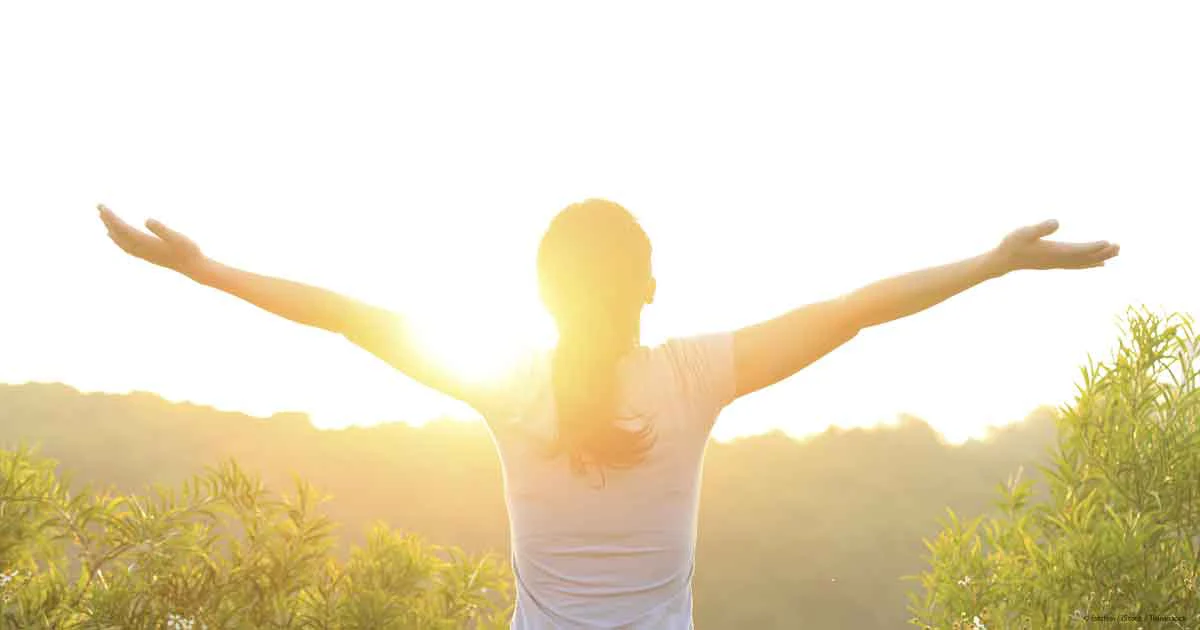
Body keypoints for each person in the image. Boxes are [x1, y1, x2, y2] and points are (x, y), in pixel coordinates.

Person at [97, 199, 1119, 629]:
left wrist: (201, 268)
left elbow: (347, 319)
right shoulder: (694, 374)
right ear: (650, 286)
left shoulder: (509, 381)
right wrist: (993, 263)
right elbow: (851, 313)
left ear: (545, 297)